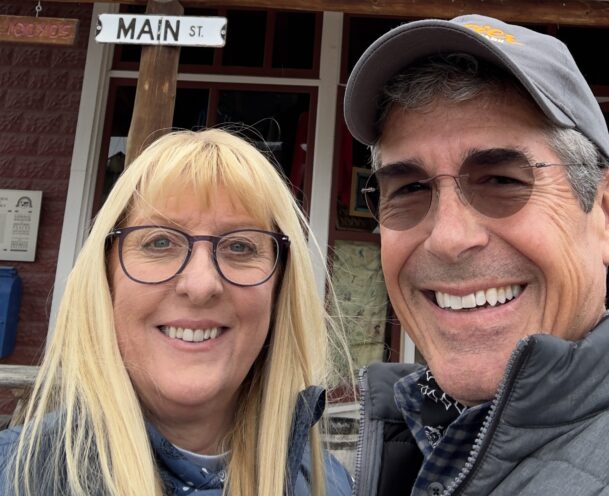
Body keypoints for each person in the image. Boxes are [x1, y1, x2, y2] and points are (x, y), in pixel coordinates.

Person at [343, 14, 609, 496]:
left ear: (607, 215)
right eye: (411, 188)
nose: (447, 238)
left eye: (502, 180)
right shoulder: (385, 452)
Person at [0, 128, 352, 496]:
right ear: (106, 279)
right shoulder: (13, 475)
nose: (201, 286)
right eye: (160, 241)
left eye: (240, 247)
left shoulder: (331, 485)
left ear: (280, 289)